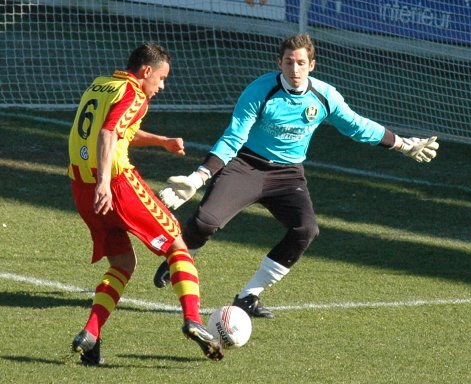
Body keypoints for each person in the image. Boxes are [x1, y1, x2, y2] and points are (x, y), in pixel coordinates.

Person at [154, 34, 439, 318]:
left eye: (301, 63)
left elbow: (356, 125)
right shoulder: (259, 91)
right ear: (279, 63)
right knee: (206, 222)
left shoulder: (324, 96)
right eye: (289, 62)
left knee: (306, 230)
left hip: (288, 176)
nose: (295, 69)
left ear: (312, 65)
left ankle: (248, 297)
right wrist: (198, 178)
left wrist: (404, 145)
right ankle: (178, 258)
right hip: (246, 166)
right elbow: (234, 137)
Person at [67, 43, 223, 365]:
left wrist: (162, 141)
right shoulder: (134, 94)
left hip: (80, 189)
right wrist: (105, 183)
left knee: (122, 264)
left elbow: (117, 129)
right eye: (162, 78)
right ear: (146, 71)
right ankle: (193, 319)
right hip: (115, 185)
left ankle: (91, 334)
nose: (162, 87)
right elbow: (109, 133)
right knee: (178, 246)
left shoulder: (102, 85)